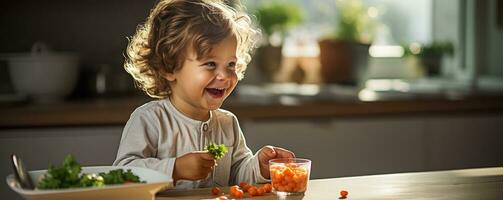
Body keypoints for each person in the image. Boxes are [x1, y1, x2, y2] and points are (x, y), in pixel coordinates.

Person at [113, 0, 295, 189]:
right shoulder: (150, 120)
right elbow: (123, 172)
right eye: (210, 64)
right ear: (169, 67)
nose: (224, 76)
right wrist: (175, 169)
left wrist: (260, 167)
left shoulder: (227, 123)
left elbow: (238, 173)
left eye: (231, 64)